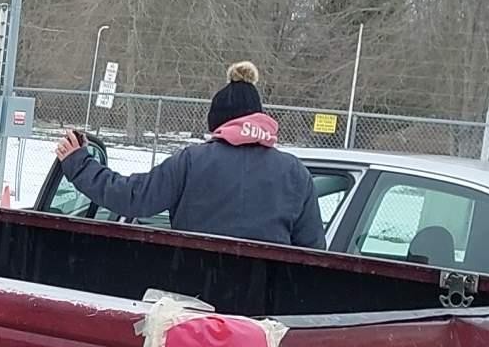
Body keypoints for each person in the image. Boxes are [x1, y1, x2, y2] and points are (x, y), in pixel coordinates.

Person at [52, 61, 326, 247]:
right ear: (259, 118)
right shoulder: (295, 174)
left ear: (217, 123)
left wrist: (79, 164)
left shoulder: (191, 162)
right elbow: (312, 251)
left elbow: (132, 197)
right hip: (264, 317)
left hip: (196, 300)